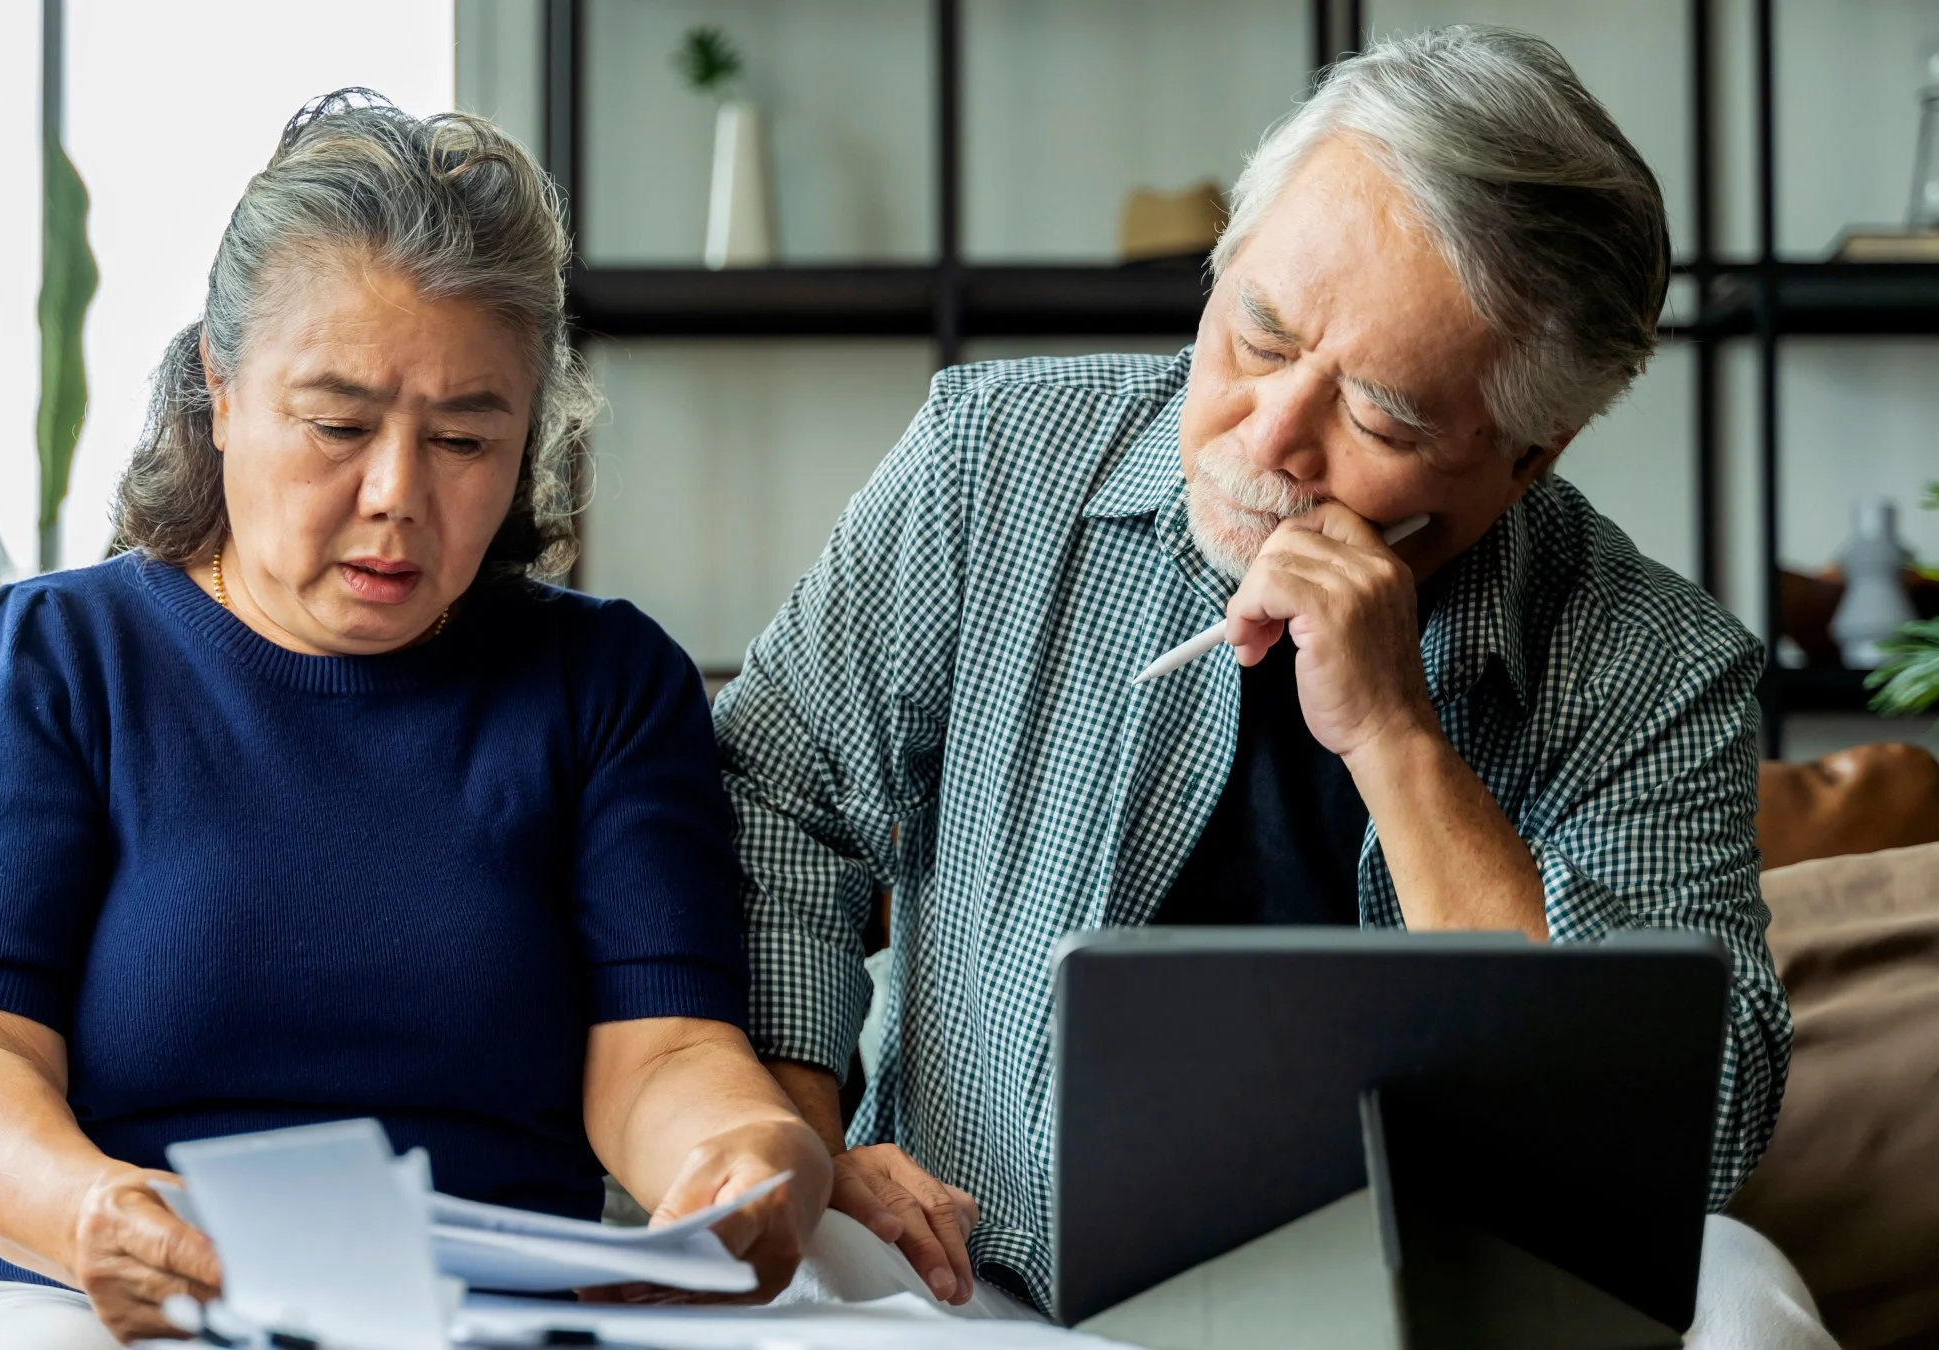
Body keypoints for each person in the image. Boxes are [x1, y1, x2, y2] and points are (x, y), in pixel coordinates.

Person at [719, 28, 1833, 1348]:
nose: (1268, 437)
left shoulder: (1655, 663)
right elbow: (772, 801)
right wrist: (807, 1130)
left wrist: (1397, 738)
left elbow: (1689, 1131)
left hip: (1450, 1301)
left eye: (1381, 419)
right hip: (979, 1263)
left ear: (1528, 456)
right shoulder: (985, 466)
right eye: (1257, 333)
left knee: (1739, 1287)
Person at [0, 92, 830, 1349]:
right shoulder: (57, 657)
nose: (396, 495)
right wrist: (85, 1205)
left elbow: (659, 1059)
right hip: (87, 1298)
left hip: (494, 1317)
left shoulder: (606, 683)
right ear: (219, 393)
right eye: (338, 426)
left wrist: (743, 1158)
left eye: (464, 438)